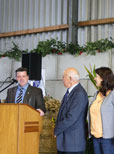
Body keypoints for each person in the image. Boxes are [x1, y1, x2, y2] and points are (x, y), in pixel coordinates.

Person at [54, 67, 88, 154]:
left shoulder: (79, 93)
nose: (62, 79)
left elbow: (71, 117)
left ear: (71, 79)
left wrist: (57, 129)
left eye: (64, 77)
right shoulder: (72, 92)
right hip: (67, 143)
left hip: (73, 144)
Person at [89, 67, 114, 154]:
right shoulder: (97, 94)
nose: (94, 78)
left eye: (97, 76)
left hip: (108, 139)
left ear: (103, 78)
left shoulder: (112, 95)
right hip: (95, 137)